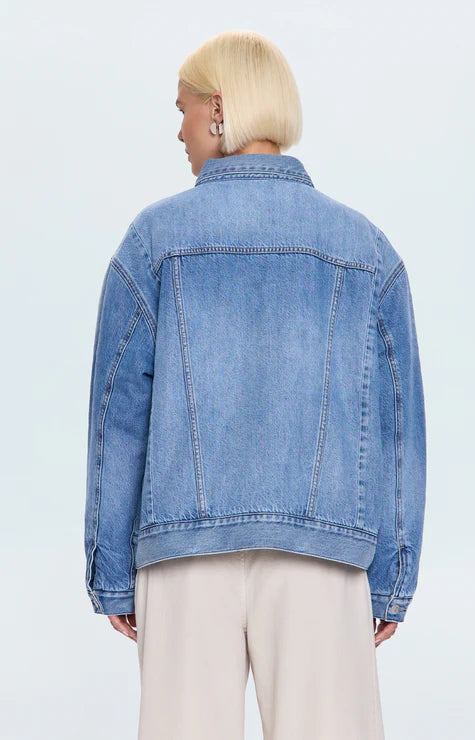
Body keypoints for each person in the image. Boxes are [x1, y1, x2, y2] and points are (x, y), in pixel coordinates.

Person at [84, 29, 426, 740]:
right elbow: (398, 427)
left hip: (184, 554)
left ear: (218, 108)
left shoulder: (155, 241)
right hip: (322, 555)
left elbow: (118, 413)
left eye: (182, 109)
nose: (178, 131)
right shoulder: (363, 248)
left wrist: (110, 564)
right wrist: (393, 573)